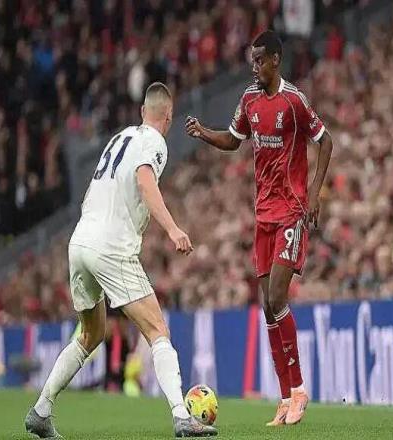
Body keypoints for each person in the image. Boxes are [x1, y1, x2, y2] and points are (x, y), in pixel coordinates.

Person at [25, 82, 217, 438]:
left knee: (91, 333)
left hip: (80, 241)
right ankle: (181, 415)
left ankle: (41, 410)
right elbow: (145, 181)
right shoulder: (155, 142)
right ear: (168, 117)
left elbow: (92, 190)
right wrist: (173, 228)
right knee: (157, 331)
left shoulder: (119, 138)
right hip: (111, 247)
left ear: (143, 111)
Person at [185, 30, 333, 426]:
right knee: (267, 306)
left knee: (278, 297)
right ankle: (284, 398)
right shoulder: (249, 100)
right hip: (263, 215)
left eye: (259, 60)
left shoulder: (294, 101)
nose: (254, 67)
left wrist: (315, 192)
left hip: (291, 211)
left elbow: (326, 141)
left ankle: (299, 390)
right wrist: (203, 133)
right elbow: (233, 140)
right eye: (252, 60)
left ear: (275, 61)